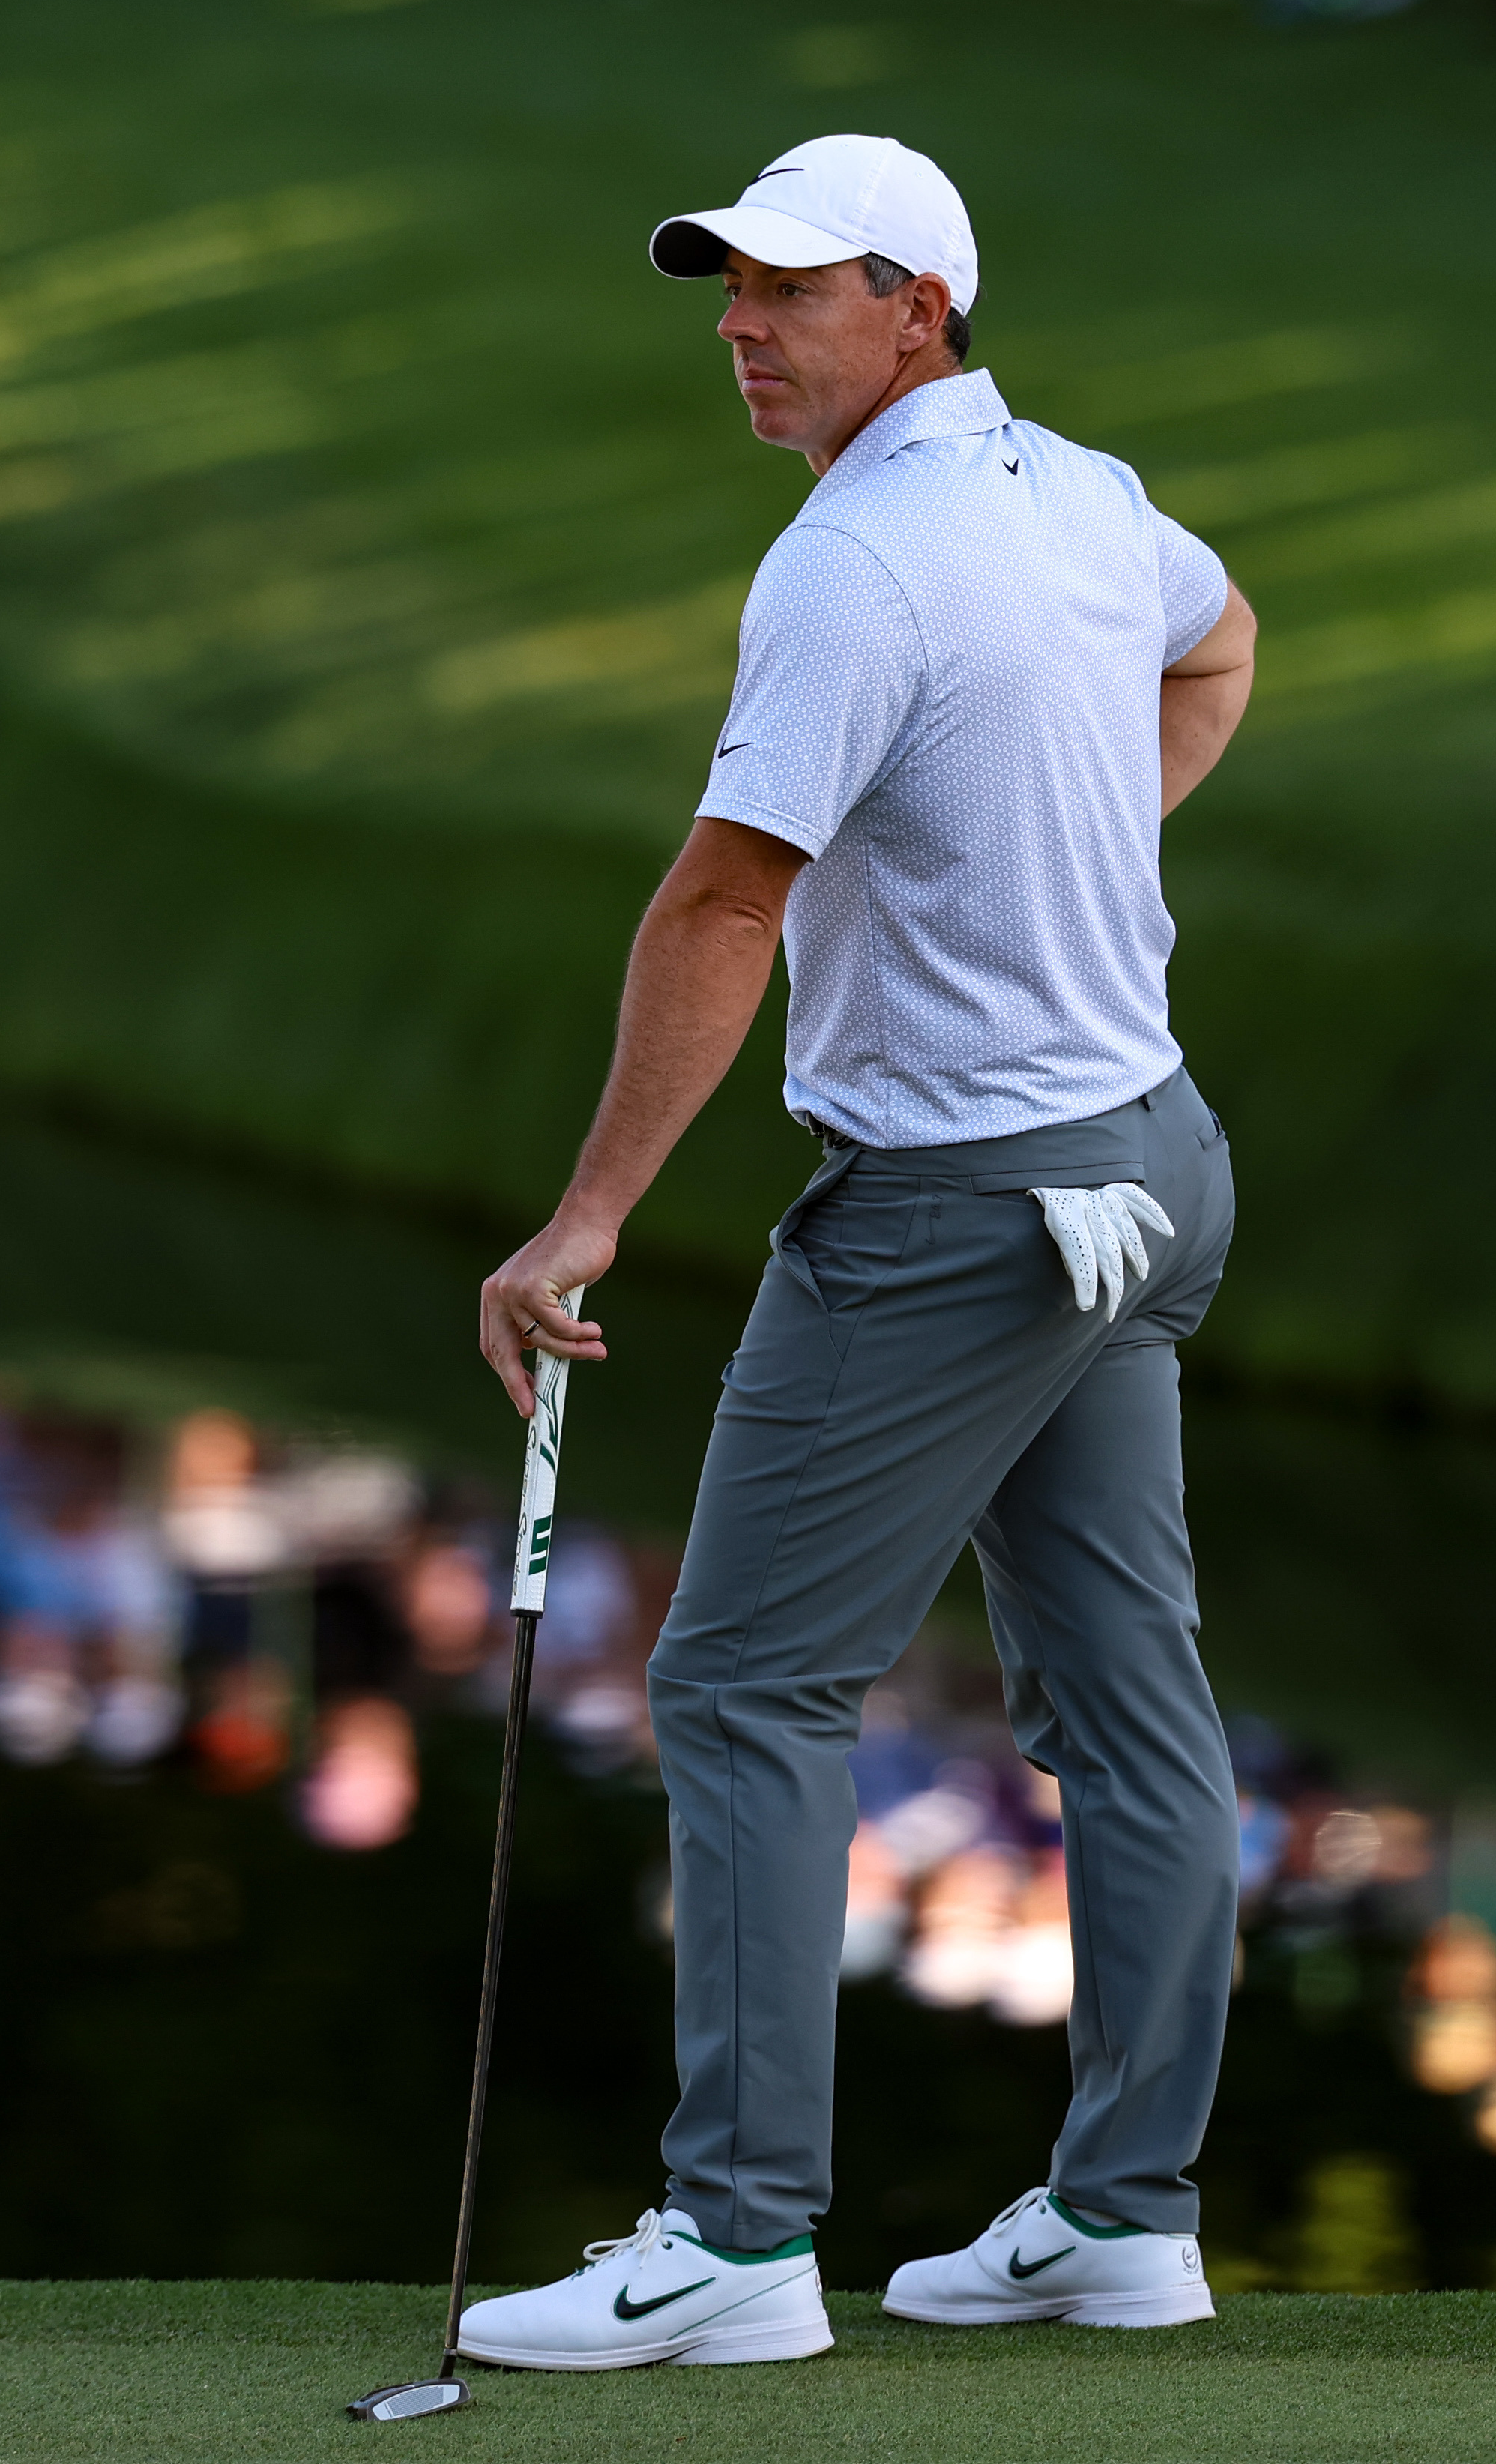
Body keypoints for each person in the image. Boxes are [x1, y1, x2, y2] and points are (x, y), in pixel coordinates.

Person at [459, 133, 1261, 2370]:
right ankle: (1128, 2213)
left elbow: (722, 901)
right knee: (1129, 1700)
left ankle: (731, 2244)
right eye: (727, 285)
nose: (740, 319)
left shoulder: (854, 570)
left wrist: (587, 1216)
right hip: (1147, 1160)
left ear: (920, 307)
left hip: (959, 1210)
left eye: (791, 289)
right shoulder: (1090, 495)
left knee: (741, 1680)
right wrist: (1054, 847)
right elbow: (1220, 647)